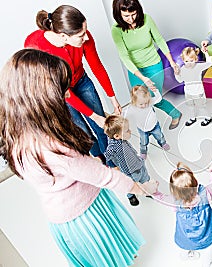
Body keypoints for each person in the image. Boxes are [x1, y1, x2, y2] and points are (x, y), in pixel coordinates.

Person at [0, 49, 158, 266]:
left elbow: (74, 169)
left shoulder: (19, 133)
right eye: (62, 92)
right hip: (83, 214)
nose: (67, 97)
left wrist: (92, 163)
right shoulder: (53, 147)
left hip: (69, 213)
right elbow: (104, 177)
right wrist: (142, 188)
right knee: (109, 256)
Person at [24, 5, 122, 166]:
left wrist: (112, 98)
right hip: (60, 94)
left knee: (102, 127)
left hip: (81, 81)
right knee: (82, 130)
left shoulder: (85, 38)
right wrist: (94, 116)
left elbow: (97, 66)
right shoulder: (36, 46)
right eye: (81, 35)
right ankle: (99, 159)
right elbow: (64, 91)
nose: (86, 38)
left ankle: (112, 164)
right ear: (64, 36)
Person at [111, 0, 182, 130]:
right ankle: (153, 129)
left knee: (154, 99)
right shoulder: (116, 30)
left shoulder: (147, 20)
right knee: (141, 103)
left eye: (133, 14)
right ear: (118, 14)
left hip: (154, 65)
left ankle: (175, 114)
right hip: (135, 71)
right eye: (126, 16)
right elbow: (124, 57)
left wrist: (172, 62)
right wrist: (143, 78)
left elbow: (159, 40)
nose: (131, 19)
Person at [153, 162, 212, 267]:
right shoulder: (206, 194)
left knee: (184, 245)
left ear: (174, 191)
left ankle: (186, 255)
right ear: (195, 182)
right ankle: (208, 264)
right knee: (208, 251)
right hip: (207, 234)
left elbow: (160, 198)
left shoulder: (173, 202)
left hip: (186, 237)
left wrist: (154, 191)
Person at [104, 115, 151, 206]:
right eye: (127, 131)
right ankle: (131, 196)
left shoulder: (120, 137)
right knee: (129, 185)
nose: (130, 131)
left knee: (145, 178)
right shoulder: (113, 146)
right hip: (130, 172)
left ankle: (147, 189)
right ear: (117, 136)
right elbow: (106, 155)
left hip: (139, 164)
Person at [127, 85, 170, 159]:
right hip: (142, 129)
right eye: (141, 104)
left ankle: (163, 143)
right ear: (134, 102)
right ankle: (143, 151)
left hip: (154, 126)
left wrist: (155, 91)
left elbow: (159, 99)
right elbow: (125, 114)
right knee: (143, 142)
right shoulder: (132, 108)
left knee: (160, 136)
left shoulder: (150, 102)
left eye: (146, 103)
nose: (144, 105)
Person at [175, 47, 212, 127]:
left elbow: (209, 64)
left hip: (198, 92)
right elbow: (180, 80)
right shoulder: (183, 69)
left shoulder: (198, 66)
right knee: (190, 106)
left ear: (196, 59)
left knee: (201, 106)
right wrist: (177, 73)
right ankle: (192, 118)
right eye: (186, 61)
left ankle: (208, 118)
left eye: (191, 61)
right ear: (183, 60)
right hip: (188, 93)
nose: (189, 63)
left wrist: (206, 53)